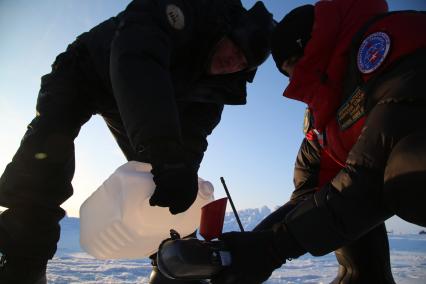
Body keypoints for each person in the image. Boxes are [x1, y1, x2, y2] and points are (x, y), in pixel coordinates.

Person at [0, 0, 275, 283]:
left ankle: (173, 267)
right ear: (226, 31)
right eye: (236, 49)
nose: (234, 63)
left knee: (160, 180)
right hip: (87, 69)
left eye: (244, 63)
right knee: (48, 147)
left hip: (142, 99)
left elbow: (191, 137)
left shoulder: (217, 88)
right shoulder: (187, 12)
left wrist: (180, 171)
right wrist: (163, 149)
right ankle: (22, 259)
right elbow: (137, 56)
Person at [211, 0, 426, 283]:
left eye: (291, 65)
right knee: (337, 198)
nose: (293, 79)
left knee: (408, 168)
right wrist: (250, 247)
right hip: (369, 177)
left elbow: (372, 172)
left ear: (311, 47)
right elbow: (310, 196)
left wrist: (274, 248)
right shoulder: (324, 126)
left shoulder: (389, 39)